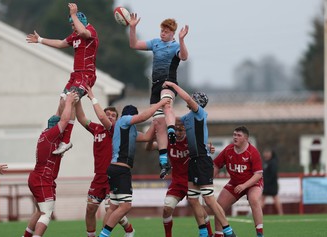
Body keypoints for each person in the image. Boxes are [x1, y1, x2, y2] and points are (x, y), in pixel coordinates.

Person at [162, 81, 237, 237]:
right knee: (194, 199)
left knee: (209, 200)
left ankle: (228, 230)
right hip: (193, 161)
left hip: (202, 160)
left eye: (194, 99)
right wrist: (165, 104)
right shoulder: (186, 118)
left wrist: (173, 86)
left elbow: (188, 100)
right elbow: (171, 119)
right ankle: (203, 232)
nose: (192, 101)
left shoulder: (200, 113)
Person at [26, 3, 98, 155]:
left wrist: (73, 14)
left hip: (86, 75)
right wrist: (40, 40)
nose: (72, 27)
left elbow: (84, 32)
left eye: (73, 24)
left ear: (80, 21)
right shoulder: (76, 35)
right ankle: (55, 136)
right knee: (62, 104)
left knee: (69, 100)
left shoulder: (89, 31)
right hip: (75, 75)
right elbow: (60, 43)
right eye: (71, 25)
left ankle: (66, 141)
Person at [129, 13, 189, 179]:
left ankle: (172, 130)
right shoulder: (155, 43)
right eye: (161, 30)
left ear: (172, 33)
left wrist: (182, 40)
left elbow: (184, 57)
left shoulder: (175, 46)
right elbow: (133, 45)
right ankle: (164, 160)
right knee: (157, 123)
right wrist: (132, 27)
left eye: (166, 31)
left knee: (167, 104)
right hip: (155, 86)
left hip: (169, 82)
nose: (162, 33)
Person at [99, 99, 169, 237]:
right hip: (120, 170)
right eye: (134, 118)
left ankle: (105, 234)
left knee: (113, 207)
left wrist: (157, 120)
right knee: (125, 206)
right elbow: (142, 117)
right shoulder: (124, 120)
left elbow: (148, 137)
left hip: (115, 169)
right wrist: (159, 104)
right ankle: (103, 235)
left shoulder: (130, 130)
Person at [75, 87, 134, 237]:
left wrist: (92, 97)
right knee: (90, 209)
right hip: (98, 177)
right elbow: (82, 118)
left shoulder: (115, 129)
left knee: (110, 209)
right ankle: (93, 235)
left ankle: (120, 231)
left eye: (113, 115)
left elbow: (101, 117)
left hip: (112, 176)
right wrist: (77, 101)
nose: (109, 117)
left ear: (117, 119)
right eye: (107, 114)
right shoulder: (97, 129)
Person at [145, 119, 215, 237]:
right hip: (177, 182)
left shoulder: (191, 141)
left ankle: (209, 233)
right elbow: (148, 148)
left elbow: (205, 147)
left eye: (181, 130)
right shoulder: (167, 140)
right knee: (167, 209)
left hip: (191, 180)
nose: (178, 132)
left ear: (186, 130)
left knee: (198, 209)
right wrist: (152, 136)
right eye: (176, 129)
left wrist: (210, 148)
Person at [22, 92, 77, 237]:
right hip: (43, 179)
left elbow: (60, 116)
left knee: (40, 211)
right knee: (46, 213)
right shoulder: (51, 136)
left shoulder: (46, 134)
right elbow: (64, 120)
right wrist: (70, 102)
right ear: (55, 128)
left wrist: (63, 100)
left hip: (37, 177)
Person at [213, 126, 264, 237]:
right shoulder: (228, 150)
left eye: (238, 135)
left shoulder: (253, 152)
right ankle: (218, 234)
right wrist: (208, 181)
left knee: (254, 199)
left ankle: (260, 234)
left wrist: (244, 185)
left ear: (246, 138)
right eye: (234, 135)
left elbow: (258, 175)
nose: (235, 137)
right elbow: (216, 165)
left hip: (252, 183)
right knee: (218, 207)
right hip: (235, 183)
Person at [261, 148, 283, 215]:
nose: (266, 154)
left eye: (268, 152)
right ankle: (256, 213)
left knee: (275, 197)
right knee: (262, 198)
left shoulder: (273, 162)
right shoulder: (265, 162)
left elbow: (273, 173)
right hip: (265, 184)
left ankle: (280, 213)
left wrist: (268, 181)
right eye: (265, 152)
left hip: (271, 184)